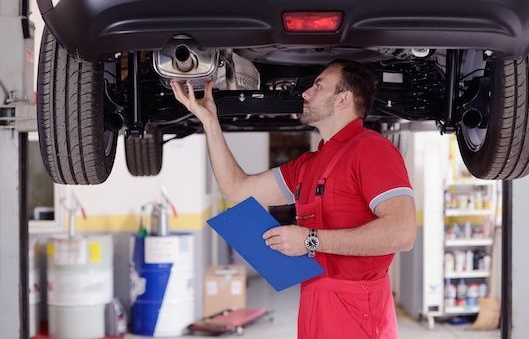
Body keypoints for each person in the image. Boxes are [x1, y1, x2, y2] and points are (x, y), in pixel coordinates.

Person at [170, 60, 416, 339]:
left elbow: (402, 232)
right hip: (315, 303)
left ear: (343, 99)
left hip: (358, 311)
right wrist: (210, 122)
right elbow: (236, 189)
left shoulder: (372, 150)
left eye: (318, 86)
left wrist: (310, 240)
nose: (305, 93)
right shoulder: (308, 165)